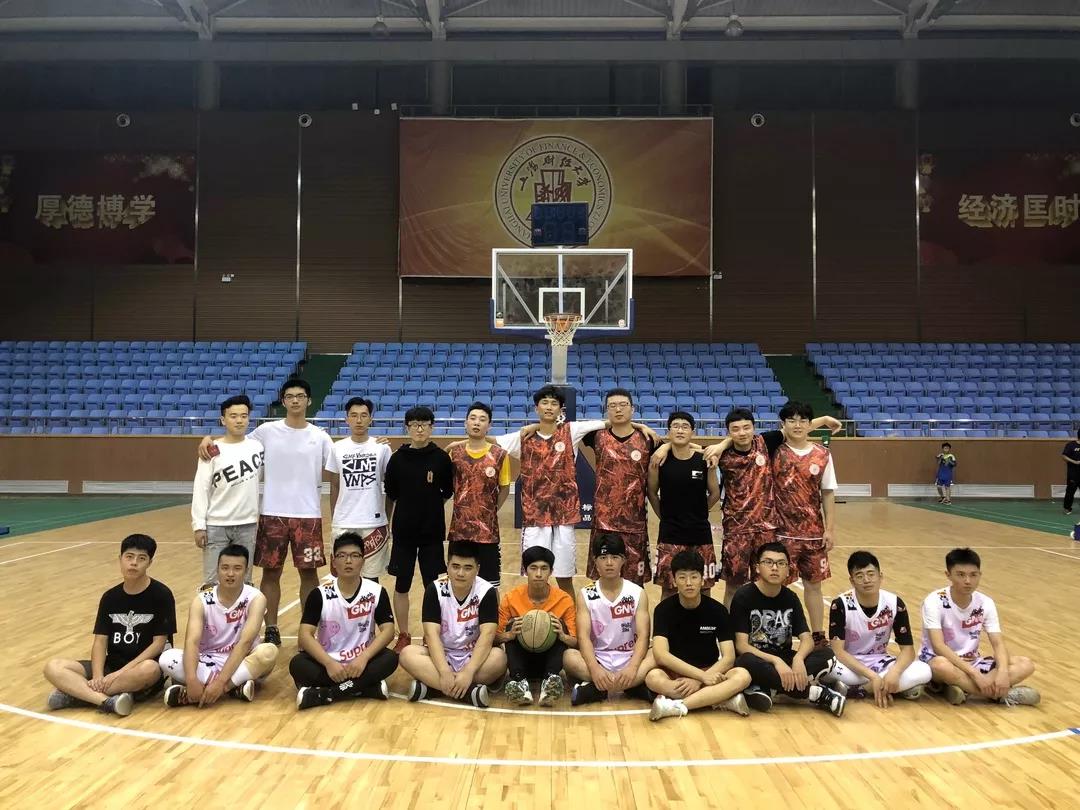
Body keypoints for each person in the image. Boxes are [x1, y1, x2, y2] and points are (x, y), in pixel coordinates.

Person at [199, 376, 334, 647]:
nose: (295, 401)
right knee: (271, 574)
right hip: (272, 515)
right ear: (283, 401)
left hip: (308, 517)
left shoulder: (321, 437)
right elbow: (233, 442)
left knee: (309, 575)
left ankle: (307, 631)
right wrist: (208, 439)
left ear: (308, 400)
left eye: (300, 396)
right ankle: (271, 627)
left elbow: (341, 460)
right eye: (290, 396)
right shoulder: (266, 432)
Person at [660, 407, 840, 610]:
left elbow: (796, 428)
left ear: (754, 428)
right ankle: (730, 627)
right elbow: (686, 446)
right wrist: (665, 447)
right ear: (728, 432)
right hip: (736, 531)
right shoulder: (722, 454)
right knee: (733, 585)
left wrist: (825, 418)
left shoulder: (764, 442)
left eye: (746, 427)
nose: (742, 433)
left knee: (766, 583)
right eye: (735, 429)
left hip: (766, 531)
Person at [43, 534, 175, 716]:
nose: (134, 563)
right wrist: (98, 676)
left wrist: (120, 673)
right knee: (53, 666)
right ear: (120, 559)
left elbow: (158, 644)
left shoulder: (161, 595)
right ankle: (106, 701)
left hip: (140, 668)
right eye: (129, 557)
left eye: (141, 558)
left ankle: (76, 695)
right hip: (110, 665)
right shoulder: (110, 597)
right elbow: (100, 641)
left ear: (150, 563)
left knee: (149, 669)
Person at [493, 385, 607, 595]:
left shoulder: (571, 431)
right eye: (544, 403)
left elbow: (610, 422)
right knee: (535, 579)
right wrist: (458, 444)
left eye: (554, 403)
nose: (549, 407)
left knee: (565, 579)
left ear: (560, 409)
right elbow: (491, 441)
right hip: (535, 518)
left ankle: (569, 616)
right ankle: (533, 616)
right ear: (536, 408)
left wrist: (641, 427)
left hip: (564, 517)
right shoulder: (523, 437)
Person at [730, 542, 846, 716]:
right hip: (758, 659)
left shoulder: (790, 597)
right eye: (768, 562)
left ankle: (769, 688)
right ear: (757, 568)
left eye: (781, 563)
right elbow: (741, 646)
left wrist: (798, 659)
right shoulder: (744, 596)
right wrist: (776, 662)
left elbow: (807, 639)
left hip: (786, 659)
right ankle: (814, 693)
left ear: (787, 570)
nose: (774, 568)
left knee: (827, 654)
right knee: (745, 661)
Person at [159, 545, 279, 707]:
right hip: (208, 660)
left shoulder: (256, 598)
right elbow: (192, 642)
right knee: (166, 658)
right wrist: (192, 679)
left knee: (268, 652)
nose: (230, 573)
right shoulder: (201, 600)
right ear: (217, 569)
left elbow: (245, 642)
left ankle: (214, 691)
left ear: (246, 571)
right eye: (225, 568)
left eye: (237, 568)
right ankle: (235, 687)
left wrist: (221, 683)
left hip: (243, 660)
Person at [290, 532, 399, 710]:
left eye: (355, 556)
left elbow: (388, 630)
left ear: (363, 561)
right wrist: (329, 663)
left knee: (391, 658)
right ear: (334, 562)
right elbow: (305, 634)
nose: (348, 561)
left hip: (363, 662)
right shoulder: (320, 594)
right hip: (329, 662)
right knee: (297, 664)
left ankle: (328, 693)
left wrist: (363, 658)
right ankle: (365, 688)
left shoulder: (376, 591)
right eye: (342, 556)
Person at [918, 547, 1039, 706]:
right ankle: (1002, 695)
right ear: (948, 575)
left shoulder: (985, 602)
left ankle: (961, 688)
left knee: (1025, 664)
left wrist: (1002, 672)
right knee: (940, 666)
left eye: (973, 575)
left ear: (980, 575)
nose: (968, 581)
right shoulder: (934, 601)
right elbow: (938, 646)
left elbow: (998, 643)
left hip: (972, 661)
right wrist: (975, 675)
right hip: (940, 660)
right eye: (961, 575)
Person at [645, 549, 752, 721]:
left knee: (742, 675)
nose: (689, 583)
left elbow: (728, 657)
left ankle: (677, 706)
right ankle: (719, 699)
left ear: (702, 580)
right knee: (652, 677)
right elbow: (661, 655)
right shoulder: (663, 610)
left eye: (694, 577)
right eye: (682, 577)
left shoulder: (718, 610)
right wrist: (701, 677)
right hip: (677, 673)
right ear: (674, 581)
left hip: (709, 670)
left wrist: (700, 679)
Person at [764, 401, 838, 646]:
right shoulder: (774, 450)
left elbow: (828, 492)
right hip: (781, 533)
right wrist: (824, 419)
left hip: (813, 533)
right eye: (792, 420)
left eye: (803, 420)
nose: (797, 425)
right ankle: (777, 636)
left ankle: (818, 635)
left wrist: (829, 529)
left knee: (814, 586)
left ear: (809, 424)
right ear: (783, 424)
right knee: (776, 584)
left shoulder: (822, 454)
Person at [399, 541, 506, 707]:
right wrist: (444, 671)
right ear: (447, 566)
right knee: (407, 654)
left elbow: (488, 635)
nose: (461, 573)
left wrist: (469, 671)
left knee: (499, 658)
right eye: (455, 566)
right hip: (442, 656)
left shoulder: (487, 591)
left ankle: (433, 688)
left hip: (474, 655)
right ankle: (469, 693)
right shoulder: (435, 589)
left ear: (477, 569)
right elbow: (431, 634)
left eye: (468, 568)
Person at [820, 550, 932, 706]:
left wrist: (895, 673)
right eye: (860, 576)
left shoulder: (894, 603)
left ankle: (859, 690)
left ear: (881, 576)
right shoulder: (840, 604)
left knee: (924, 670)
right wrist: (872, 676)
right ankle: (892, 687)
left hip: (880, 662)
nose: (866, 580)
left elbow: (908, 650)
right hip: (849, 665)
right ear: (852, 581)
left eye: (871, 574)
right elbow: (838, 652)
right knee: (824, 666)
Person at [385, 405, 454, 653]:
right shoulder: (397, 459)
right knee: (401, 584)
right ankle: (403, 634)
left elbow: (447, 491)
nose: (419, 429)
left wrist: (429, 507)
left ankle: (431, 633)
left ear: (432, 427)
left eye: (424, 424)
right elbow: (392, 494)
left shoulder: (441, 458)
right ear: (407, 428)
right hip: (403, 533)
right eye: (414, 424)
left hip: (431, 533)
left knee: (432, 586)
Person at [563, 534, 654, 705]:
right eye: (603, 558)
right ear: (595, 562)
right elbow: (583, 637)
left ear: (623, 560)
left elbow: (643, 636)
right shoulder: (586, 594)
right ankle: (631, 687)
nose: (609, 563)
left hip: (630, 657)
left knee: (656, 653)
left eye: (615, 557)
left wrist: (633, 667)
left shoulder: (637, 592)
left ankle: (597, 689)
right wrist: (595, 669)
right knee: (568, 656)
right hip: (598, 658)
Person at [581, 388, 660, 587]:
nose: (618, 409)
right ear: (607, 410)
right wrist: (639, 424)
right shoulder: (595, 436)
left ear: (632, 409)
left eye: (623, 405)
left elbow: (677, 447)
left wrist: (662, 443)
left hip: (635, 523)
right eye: (612, 406)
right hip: (604, 522)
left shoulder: (648, 439)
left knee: (635, 583)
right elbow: (566, 429)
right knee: (602, 579)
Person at [191, 394, 263, 586]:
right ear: (223, 420)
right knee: (212, 581)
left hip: (247, 524)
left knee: (244, 581)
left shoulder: (257, 447)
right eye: (233, 416)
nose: (239, 420)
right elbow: (201, 488)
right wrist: (199, 526)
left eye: (244, 416)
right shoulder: (211, 449)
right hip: (216, 525)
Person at [648, 411, 720, 600]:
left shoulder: (704, 460)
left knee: (704, 587)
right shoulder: (659, 460)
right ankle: (666, 621)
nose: (680, 430)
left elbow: (714, 493)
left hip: (700, 532)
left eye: (685, 427)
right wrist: (663, 515)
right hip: (670, 533)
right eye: (676, 426)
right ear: (669, 431)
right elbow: (652, 493)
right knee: (668, 588)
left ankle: (704, 620)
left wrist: (700, 510)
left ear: (692, 432)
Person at [496, 546, 578, 706]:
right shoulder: (511, 598)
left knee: (557, 624)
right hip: (521, 660)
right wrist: (509, 635)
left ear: (551, 571)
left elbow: (576, 642)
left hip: (551, 661)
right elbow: (494, 638)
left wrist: (563, 636)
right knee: (513, 624)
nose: (539, 574)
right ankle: (520, 682)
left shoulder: (564, 600)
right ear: (525, 571)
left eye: (544, 568)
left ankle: (549, 683)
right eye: (533, 568)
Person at [326, 396, 392, 580]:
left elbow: (391, 487)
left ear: (371, 419)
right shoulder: (337, 448)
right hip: (344, 522)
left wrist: (387, 519)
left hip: (374, 523)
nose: (359, 420)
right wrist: (335, 517)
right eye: (354, 415)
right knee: (343, 576)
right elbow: (334, 485)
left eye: (364, 415)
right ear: (347, 419)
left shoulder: (382, 448)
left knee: (372, 578)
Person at [446, 401, 510, 588]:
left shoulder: (500, 455)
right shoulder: (454, 454)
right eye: (472, 418)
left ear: (489, 425)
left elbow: (504, 488)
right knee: (458, 584)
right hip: (459, 531)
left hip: (487, 532)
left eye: (482, 419)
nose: (476, 422)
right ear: (465, 423)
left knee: (491, 586)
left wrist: (490, 511)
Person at [1062, 429, 1080, 515]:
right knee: (1070, 492)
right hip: (1073, 474)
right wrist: (1075, 462)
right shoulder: (1071, 445)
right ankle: (1067, 508)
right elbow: (1064, 456)